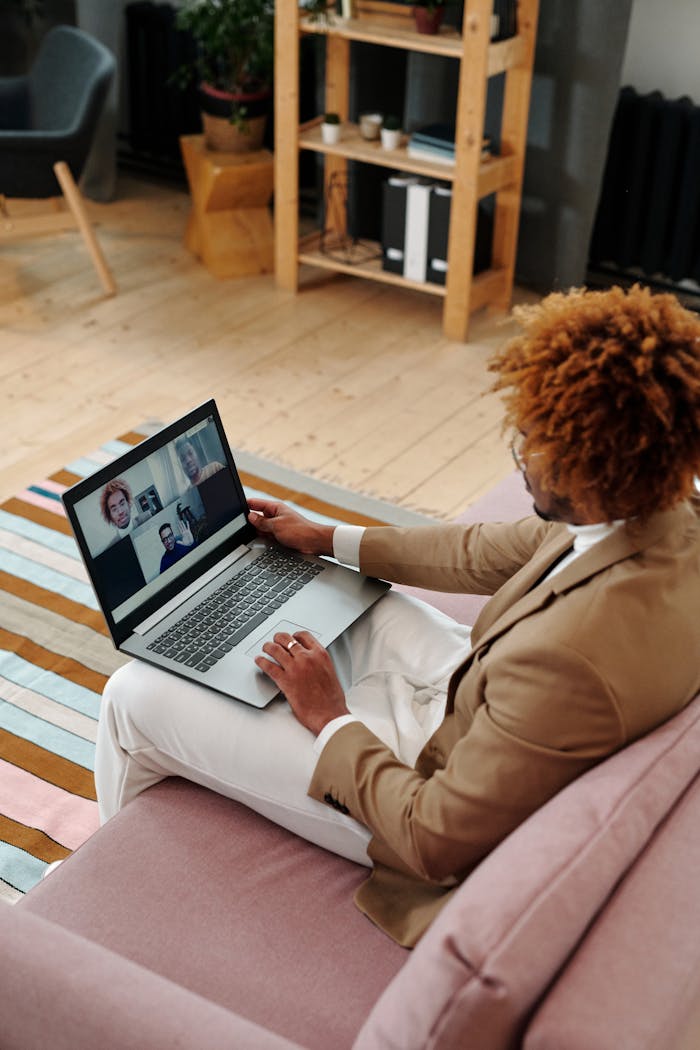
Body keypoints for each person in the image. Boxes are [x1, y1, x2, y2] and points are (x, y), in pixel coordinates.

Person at [96, 285, 700, 948]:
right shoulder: (665, 509)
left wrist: (329, 716)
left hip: (427, 787)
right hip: (483, 697)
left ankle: (98, 904)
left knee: (129, 695)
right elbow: (484, 550)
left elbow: (431, 838)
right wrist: (328, 538)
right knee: (348, 599)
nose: (521, 455)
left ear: (590, 467)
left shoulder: (570, 659)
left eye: (532, 443)